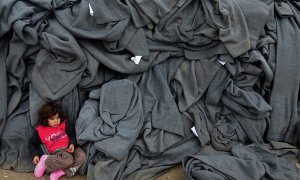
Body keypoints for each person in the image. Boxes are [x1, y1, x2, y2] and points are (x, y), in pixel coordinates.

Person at [29, 102, 86, 180]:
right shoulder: (40, 130)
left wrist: (72, 144)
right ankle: (45, 160)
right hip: (59, 152)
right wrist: (35, 155)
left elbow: (72, 136)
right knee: (68, 160)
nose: (56, 121)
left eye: (57, 118)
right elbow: (32, 144)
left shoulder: (65, 124)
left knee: (82, 157)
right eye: (52, 119)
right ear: (45, 119)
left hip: (70, 148)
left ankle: (58, 173)